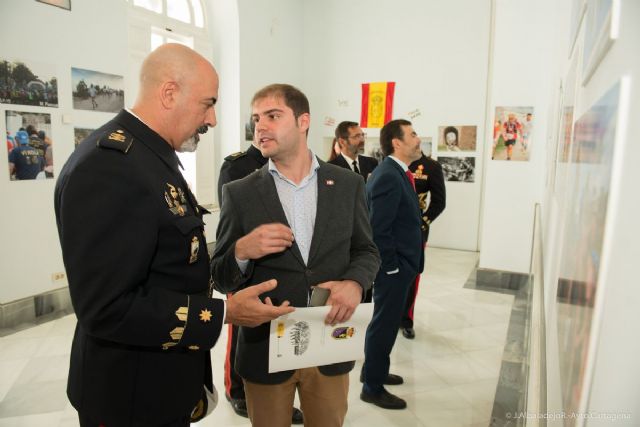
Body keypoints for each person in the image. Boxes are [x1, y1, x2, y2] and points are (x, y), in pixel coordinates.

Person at [54, 44, 294, 427]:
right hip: (129, 395)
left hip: (159, 379)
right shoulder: (109, 167)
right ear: (169, 94)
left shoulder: (151, 157)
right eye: (208, 103)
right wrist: (225, 312)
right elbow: (107, 308)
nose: (212, 119)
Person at [211, 83, 380, 427]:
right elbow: (220, 276)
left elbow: (367, 250)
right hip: (266, 349)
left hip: (329, 340)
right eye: (256, 118)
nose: (260, 126)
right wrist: (242, 250)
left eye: (273, 116)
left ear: (304, 121)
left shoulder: (348, 185)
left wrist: (355, 283)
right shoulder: (239, 192)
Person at [216, 128, 304, 424]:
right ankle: (236, 389)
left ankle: (280, 390)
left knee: (277, 332)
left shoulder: (290, 163)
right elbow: (233, 220)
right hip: (245, 266)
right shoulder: (238, 165)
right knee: (240, 332)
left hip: (283, 266)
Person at [360, 119, 423, 410]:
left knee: (387, 323)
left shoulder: (397, 173)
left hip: (402, 266)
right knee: (383, 325)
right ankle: (372, 386)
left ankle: (379, 371)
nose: (418, 138)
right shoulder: (387, 175)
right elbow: (378, 229)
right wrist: (393, 267)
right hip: (393, 269)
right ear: (396, 143)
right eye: (412, 134)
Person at [400, 152, 446, 339]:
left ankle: (406, 320)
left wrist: (423, 222)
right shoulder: (392, 162)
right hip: (390, 229)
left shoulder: (431, 167)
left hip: (416, 231)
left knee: (411, 277)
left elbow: (439, 202)